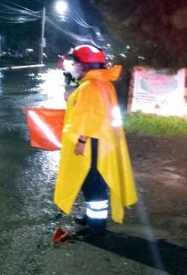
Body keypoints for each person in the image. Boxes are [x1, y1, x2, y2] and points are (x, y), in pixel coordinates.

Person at [54, 44, 138, 239]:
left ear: (86, 66)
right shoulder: (99, 82)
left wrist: (81, 141)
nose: (72, 66)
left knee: (93, 185)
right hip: (100, 141)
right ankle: (89, 217)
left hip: (92, 142)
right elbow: (87, 110)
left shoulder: (92, 86)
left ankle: (96, 228)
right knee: (90, 183)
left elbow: (91, 117)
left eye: (75, 63)